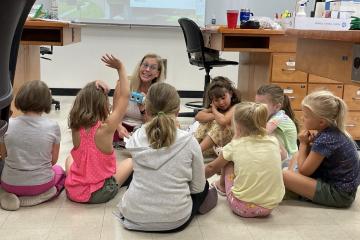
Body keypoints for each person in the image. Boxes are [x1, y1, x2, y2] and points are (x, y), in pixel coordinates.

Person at [118, 82, 217, 232]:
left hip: (133, 216)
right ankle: (207, 200)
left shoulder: (136, 137)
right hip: (175, 220)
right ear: (177, 112)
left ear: (147, 109)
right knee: (203, 187)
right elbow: (196, 188)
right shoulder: (189, 141)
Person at [65, 54, 133, 204]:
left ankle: (79, 182)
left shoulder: (75, 126)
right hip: (98, 193)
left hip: (74, 191)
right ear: (102, 104)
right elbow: (124, 96)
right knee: (129, 161)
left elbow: (87, 97)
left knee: (70, 158)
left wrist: (93, 85)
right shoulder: (106, 127)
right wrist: (120, 67)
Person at [206, 102, 285, 218]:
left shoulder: (234, 146)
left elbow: (211, 168)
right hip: (270, 206)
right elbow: (283, 156)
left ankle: (221, 186)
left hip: (242, 207)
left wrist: (194, 179)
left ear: (237, 126)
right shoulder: (273, 141)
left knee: (228, 160)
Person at [283, 90, 360, 208]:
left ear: (321, 122)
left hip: (340, 195)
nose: (302, 118)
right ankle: (295, 186)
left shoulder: (326, 139)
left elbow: (304, 171)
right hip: (344, 190)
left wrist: (303, 144)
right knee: (296, 155)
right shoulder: (331, 131)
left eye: (306, 116)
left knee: (284, 174)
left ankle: (294, 189)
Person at [0, 80, 66, 211]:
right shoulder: (52, 126)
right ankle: (45, 195)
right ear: (47, 102)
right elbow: (53, 160)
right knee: (60, 172)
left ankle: (9, 196)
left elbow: (3, 155)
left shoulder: (8, 124)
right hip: (41, 184)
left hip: (10, 184)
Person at [102, 53, 165, 147]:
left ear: (157, 73)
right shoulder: (124, 84)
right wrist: (119, 127)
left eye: (153, 67)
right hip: (121, 125)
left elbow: (152, 123)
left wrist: (143, 109)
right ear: (140, 67)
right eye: (145, 65)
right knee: (110, 142)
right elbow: (115, 113)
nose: (147, 69)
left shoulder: (158, 92)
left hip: (143, 128)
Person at [194, 76, 241, 157]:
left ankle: (196, 151)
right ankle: (193, 147)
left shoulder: (236, 107)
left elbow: (223, 121)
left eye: (223, 98)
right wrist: (214, 115)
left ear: (231, 93)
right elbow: (198, 116)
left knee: (220, 124)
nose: (221, 102)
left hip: (227, 145)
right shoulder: (217, 108)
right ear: (212, 100)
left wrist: (214, 110)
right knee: (206, 122)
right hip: (213, 147)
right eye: (216, 100)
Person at [255, 84, 298, 162]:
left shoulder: (279, 117)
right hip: (282, 158)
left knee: (265, 135)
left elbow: (263, 132)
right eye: (256, 104)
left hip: (290, 162)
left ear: (277, 107)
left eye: (261, 105)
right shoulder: (269, 115)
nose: (257, 108)